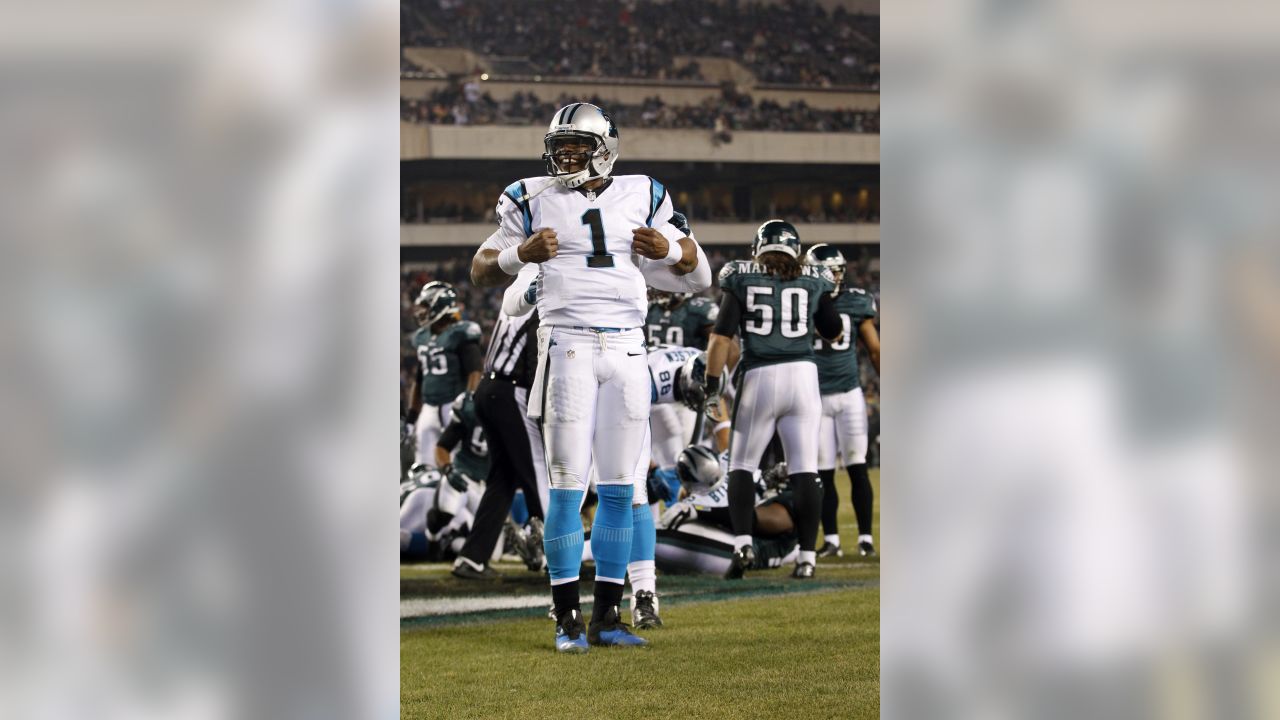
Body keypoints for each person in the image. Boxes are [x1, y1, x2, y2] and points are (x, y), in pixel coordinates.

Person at [470, 102, 712, 652]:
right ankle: (565, 619)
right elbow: (480, 269)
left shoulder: (645, 191)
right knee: (566, 485)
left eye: (577, 146)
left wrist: (671, 246)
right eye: (560, 146)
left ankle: (607, 616)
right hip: (568, 345)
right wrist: (518, 256)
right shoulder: (527, 195)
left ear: (605, 147)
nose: (565, 156)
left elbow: (699, 274)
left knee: (622, 487)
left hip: (628, 348)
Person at [703, 220, 842, 580]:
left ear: (758, 248)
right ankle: (808, 557)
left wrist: (711, 385)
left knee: (742, 466)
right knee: (805, 468)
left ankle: (743, 543)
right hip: (803, 376)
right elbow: (833, 329)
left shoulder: (740, 275)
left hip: (760, 375)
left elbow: (721, 339)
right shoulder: (816, 277)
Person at [452, 267, 549, 579]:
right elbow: (535, 357)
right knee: (538, 473)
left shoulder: (516, 293)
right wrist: (544, 408)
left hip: (489, 389)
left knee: (502, 479)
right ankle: (556, 557)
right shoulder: (541, 296)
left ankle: (472, 557)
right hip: (513, 393)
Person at [803, 244, 881, 558]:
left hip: (849, 394)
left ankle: (865, 538)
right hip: (816, 397)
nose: (834, 276)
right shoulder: (801, 299)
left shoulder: (857, 301)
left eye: (837, 270)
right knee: (823, 472)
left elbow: (874, 348)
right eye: (827, 271)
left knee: (857, 466)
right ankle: (832, 540)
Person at [653, 447, 801, 576]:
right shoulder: (732, 463)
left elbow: (755, 520)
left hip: (754, 546)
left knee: (663, 533)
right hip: (723, 529)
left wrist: (700, 511)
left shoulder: (790, 501)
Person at [408, 283, 483, 469]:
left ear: (439, 305)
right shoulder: (423, 337)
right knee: (424, 466)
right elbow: (419, 379)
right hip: (429, 408)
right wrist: (411, 417)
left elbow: (475, 370)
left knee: (456, 463)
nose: (420, 312)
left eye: (425, 306)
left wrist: (469, 397)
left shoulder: (461, 334)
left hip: (454, 405)